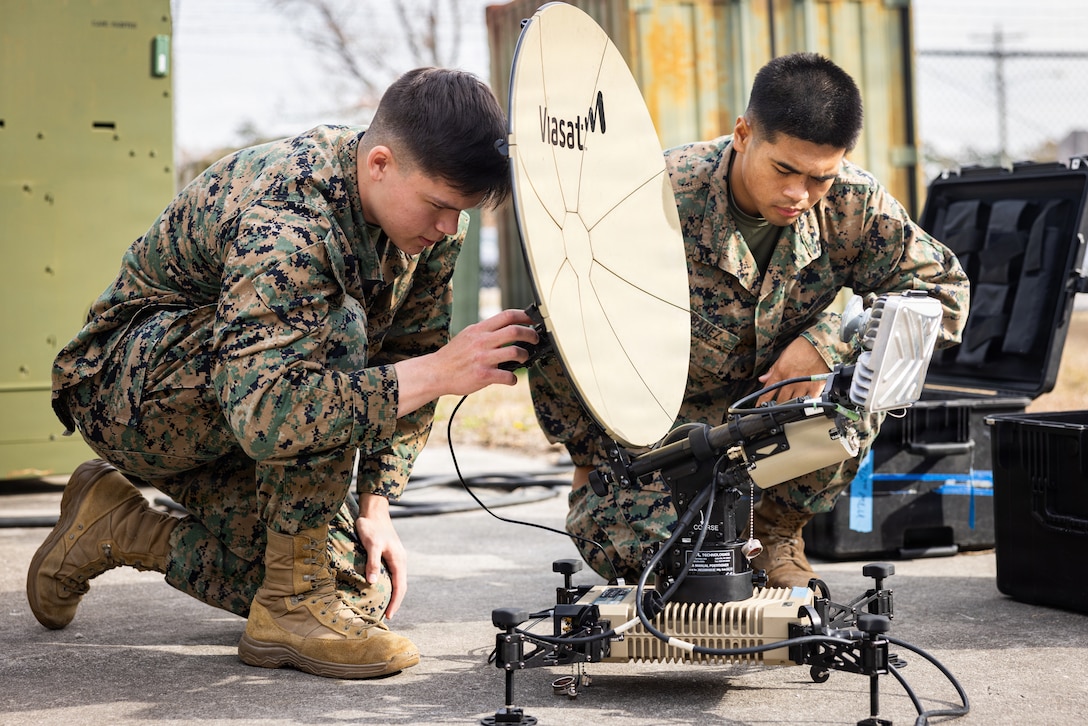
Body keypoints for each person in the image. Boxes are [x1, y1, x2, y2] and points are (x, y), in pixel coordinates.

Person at [27, 67, 539, 679]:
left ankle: (119, 526)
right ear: (380, 164)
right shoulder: (291, 220)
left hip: (237, 409)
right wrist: (440, 372)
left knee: (357, 591)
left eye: (462, 211)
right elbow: (271, 412)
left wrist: (377, 504)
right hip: (131, 392)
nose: (450, 227)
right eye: (439, 206)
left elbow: (409, 347)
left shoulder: (424, 229)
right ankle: (291, 602)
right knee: (334, 325)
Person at [529, 52, 970, 589]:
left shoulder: (853, 204)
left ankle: (777, 534)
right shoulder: (653, 196)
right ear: (743, 134)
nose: (798, 195)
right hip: (664, 435)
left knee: (867, 383)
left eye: (819, 178)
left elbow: (943, 296)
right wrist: (587, 457)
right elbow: (565, 323)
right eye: (784, 169)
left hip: (777, 417)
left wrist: (831, 342)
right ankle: (697, 534)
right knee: (654, 566)